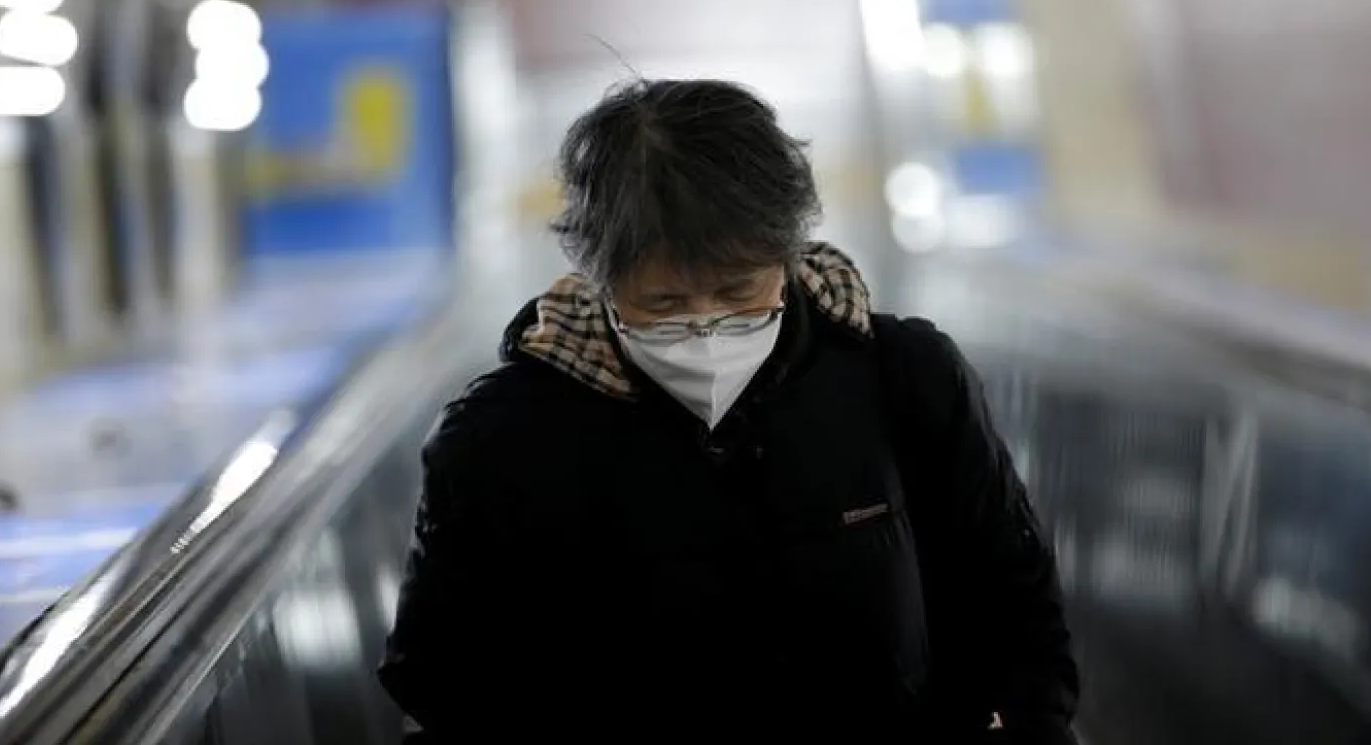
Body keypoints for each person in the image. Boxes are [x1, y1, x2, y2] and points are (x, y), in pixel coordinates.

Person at [379, 79, 1079, 741]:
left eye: (738, 291)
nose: (706, 326)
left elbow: (1016, 607)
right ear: (600, 279)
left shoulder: (905, 379)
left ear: (787, 254)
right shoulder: (501, 438)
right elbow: (445, 683)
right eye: (664, 304)